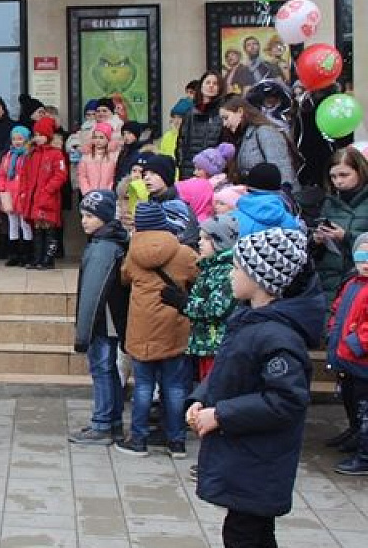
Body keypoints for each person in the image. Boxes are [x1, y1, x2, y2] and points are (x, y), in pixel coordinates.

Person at [187, 227, 321, 547]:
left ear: (262, 279)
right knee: (251, 533)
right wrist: (201, 398)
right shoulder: (249, 319)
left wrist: (221, 415)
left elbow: (286, 400)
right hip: (245, 455)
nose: (230, 274)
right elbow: (227, 370)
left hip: (259, 460)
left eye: (237, 268)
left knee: (243, 535)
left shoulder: (277, 336)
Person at [116, 202, 199, 458]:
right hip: (174, 325)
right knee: (174, 387)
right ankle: (176, 442)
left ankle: (138, 440)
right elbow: (197, 276)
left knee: (143, 386)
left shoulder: (132, 253)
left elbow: (124, 278)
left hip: (142, 328)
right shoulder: (183, 253)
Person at [68, 190, 130, 446]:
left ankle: (102, 424)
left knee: (102, 368)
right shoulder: (112, 240)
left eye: (90, 216)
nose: (84, 221)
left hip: (104, 320)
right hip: (110, 317)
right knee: (109, 369)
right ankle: (112, 422)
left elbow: (93, 294)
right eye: (82, 215)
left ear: (104, 217)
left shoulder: (103, 247)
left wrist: (83, 334)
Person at [328, 234, 368, 476]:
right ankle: (355, 436)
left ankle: (364, 456)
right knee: (350, 400)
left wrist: (356, 343)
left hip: (361, 359)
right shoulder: (352, 283)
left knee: (364, 410)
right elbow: (338, 309)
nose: (366, 262)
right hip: (347, 357)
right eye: (362, 256)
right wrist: (333, 329)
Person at [185, 215, 240, 382]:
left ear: (220, 241)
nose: (200, 243)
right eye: (200, 238)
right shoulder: (210, 267)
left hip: (217, 344)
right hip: (207, 343)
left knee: (212, 387)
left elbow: (216, 308)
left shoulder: (226, 270)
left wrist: (184, 304)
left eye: (206, 239)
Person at [316, 148, 368, 303]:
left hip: (359, 280)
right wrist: (316, 240)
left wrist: (346, 236)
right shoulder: (329, 202)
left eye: (344, 175)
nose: (338, 181)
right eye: (333, 176)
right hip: (329, 280)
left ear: (360, 172)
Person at [16, 115, 67, 269]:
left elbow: (60, 175)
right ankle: (37, 258)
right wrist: (24, 192)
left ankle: (48, 259)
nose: (37, 138)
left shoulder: (56, 154)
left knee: (49, 229)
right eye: (36, 135)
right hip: (35, 198)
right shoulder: (32, 154)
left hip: (48, 198)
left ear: (48, 136)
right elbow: (25, 175)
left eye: (41, 135)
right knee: (37, 229)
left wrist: (48, 190)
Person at [219, 95, 297, 188]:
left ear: (240, 112)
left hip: (274, 194)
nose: (224, 124)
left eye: (226, 118)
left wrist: (283, 191)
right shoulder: (242, 135)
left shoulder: (265, 131)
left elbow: (281, 167)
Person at [176, 71, 226, 180]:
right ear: (201, 86)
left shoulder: (223, 113)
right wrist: (181, 163)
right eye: (208, 82)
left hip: (212, 171)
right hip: (189, 169)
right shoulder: (190, 113)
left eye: (215, 83)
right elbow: (181, 142)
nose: (211, 86)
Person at [0, 126, 33, 266]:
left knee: (25, 224)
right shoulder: (7, 156)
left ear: (26, 139)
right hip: (10, 194)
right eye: (14, 139)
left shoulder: (29, 155)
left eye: (20, 139)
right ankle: (14, 254)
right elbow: (2, 174)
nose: (17, 142)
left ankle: (27, 254)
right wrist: (1, 189)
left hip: (23, 193)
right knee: (12, 223)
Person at [78, 122, 117, 195]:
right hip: (90, 194)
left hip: (107, 195)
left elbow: (114, 176)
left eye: (101, 137)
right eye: (95, 137)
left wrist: (109, 190)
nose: (98, 140)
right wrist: (87, 192)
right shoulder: (86, 156)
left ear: (108, 139)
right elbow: (82, 176)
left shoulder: (113, 156)